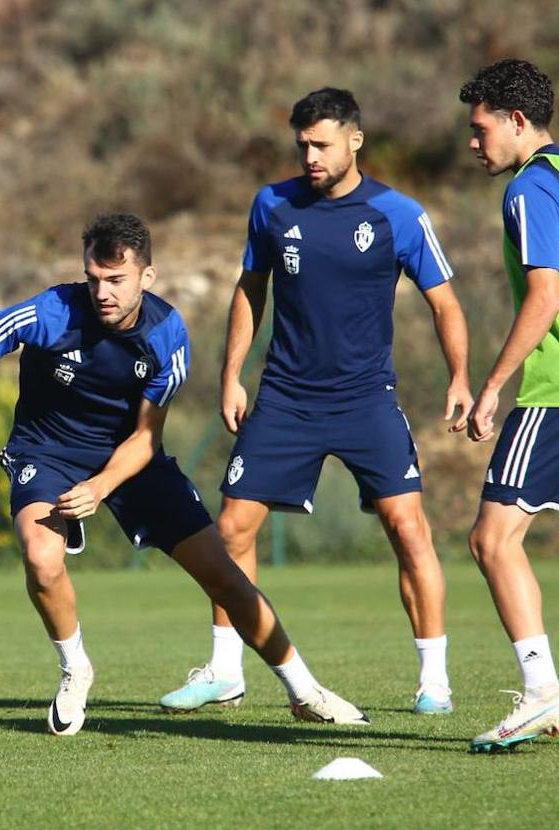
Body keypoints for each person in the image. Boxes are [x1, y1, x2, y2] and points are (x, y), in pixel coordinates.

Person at [0, 213, 368, 735]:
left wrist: (102, 487)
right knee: (40, 556)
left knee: (224, 576)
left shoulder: (167, 333)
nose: (102, 291)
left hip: (129, 460)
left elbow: (147, 437)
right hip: (46, 452)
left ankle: (304, 690)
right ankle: (76, 668)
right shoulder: (52, 312)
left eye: (117, 279)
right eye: (93, 277)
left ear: (146, 275)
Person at [159, 88, 471, 716]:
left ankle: (434, 678)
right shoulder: (272, 205)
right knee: (231, 528)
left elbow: (444, 302)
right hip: (286, 398)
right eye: (302, 144)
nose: (310, 156)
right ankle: (225, 670)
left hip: (366, 399)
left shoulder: (399, 214)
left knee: (408, 528)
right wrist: (231, 375)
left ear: (355, 139)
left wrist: (460, 376)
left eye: (322, 144)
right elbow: (250, 289)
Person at [459, 59, 559, 752]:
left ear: (516, 121)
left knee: (492, 539)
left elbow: (545, 295)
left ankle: (542, 694)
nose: (473, 143)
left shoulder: (532, 188)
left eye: (480, 127)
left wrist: (492, 384)